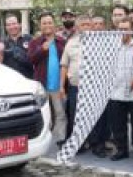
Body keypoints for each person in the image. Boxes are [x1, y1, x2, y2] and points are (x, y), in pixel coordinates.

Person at [105, 5, 133, 162]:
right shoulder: (111, 46)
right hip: (116, 92)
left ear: (132, 29)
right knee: (118, 125)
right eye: (120, 29)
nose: (123, 32)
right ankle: (122, 150)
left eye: (126, 29)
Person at [27, 13, 68, 142]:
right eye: (44, 23)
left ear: (54, 24)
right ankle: (44, 139)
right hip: (42, 84)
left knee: (60, 113)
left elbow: (67, 62)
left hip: (58, 85)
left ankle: (60, 139)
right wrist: (42, 49)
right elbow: (31, 60)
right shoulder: (34, 42)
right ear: (40, 25)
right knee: (44, 114)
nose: (47, 25)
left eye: (49, 22)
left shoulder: (62, 41)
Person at [60, 14, 94, 154]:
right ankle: (76, 144)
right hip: (75, 86)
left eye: (88, 24)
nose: (86, 27)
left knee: (92, 116)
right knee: (74, 115)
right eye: (83, 25)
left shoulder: (99, 43)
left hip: (93, 87)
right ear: (77, 27)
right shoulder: (71, 43)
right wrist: (61, 86)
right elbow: (64, 65)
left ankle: (95, 143)